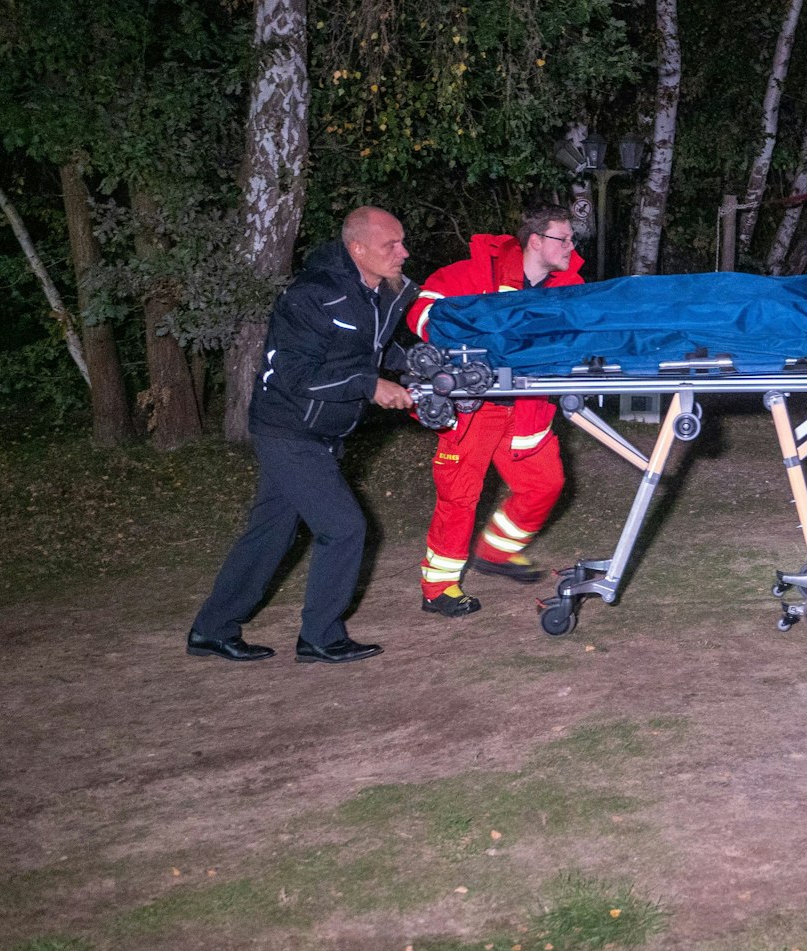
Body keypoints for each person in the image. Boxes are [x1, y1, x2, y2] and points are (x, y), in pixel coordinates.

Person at [187, 207, 417, 665]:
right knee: (344, 527)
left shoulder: (381, 292)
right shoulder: (311, 296)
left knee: (271, 533)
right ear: (357, 249)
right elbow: (294, 374)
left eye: (402, 242)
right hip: (289, 428)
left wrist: (414, 363)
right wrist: (369, 386)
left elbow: (367, 347)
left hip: (324, 429)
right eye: (390, 245)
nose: (403, 252)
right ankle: (321, 637)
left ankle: (212, 629)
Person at [405, 208, 588, 617]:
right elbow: (423, 313)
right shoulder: (473, 272)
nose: (571, 247)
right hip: (474, 409)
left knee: (545, 485)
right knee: (459, 497)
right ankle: (438, 588)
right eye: (564, 238)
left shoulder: (569, 287)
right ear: (536, 241)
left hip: (528, 408)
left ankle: (495, 553)